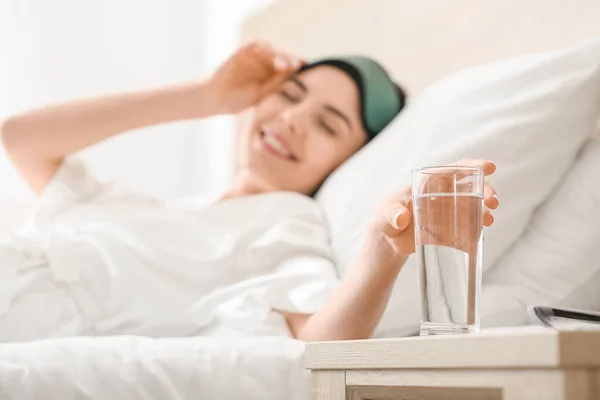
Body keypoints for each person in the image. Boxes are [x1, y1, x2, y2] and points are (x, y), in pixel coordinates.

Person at [0, 41, 499, 342]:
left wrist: (383, 249)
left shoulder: (287, 222)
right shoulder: (145, 209)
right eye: (288, 95)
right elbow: (20, 139)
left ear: (350, 162)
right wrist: (205, 97)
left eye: (328, 125)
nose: (290, 120)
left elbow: (318, 333)